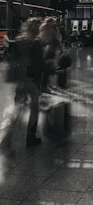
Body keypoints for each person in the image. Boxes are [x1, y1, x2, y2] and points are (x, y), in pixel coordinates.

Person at [13, 17, 44, 147]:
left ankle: (11, 137)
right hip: (31, 80)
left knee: (18, 109)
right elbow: (39, 65)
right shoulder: (36, 44)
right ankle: (30, 137)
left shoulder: (21, 41)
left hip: (20, 80)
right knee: (34, 109)